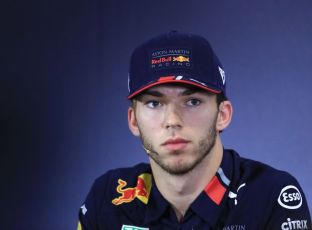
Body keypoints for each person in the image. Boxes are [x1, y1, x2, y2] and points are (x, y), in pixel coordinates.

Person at [77, 31, 311, 230]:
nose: (172, 121)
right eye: (154, 103)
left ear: (222, 115)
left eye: (192, 102)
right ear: (134, 121)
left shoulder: (271, 196)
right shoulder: (108, 199)